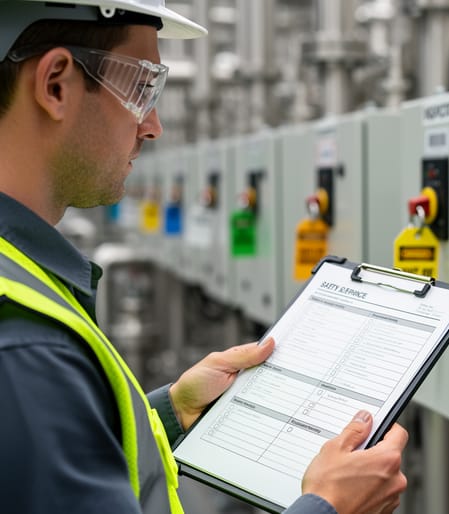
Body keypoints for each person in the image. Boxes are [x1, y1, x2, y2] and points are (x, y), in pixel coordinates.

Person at [0, 1, 408, 513]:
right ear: (56, 84)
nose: (153, 126)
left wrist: (172, 412)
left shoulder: (19, 287)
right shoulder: (24, 346)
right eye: (142, 87)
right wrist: (328, 505)